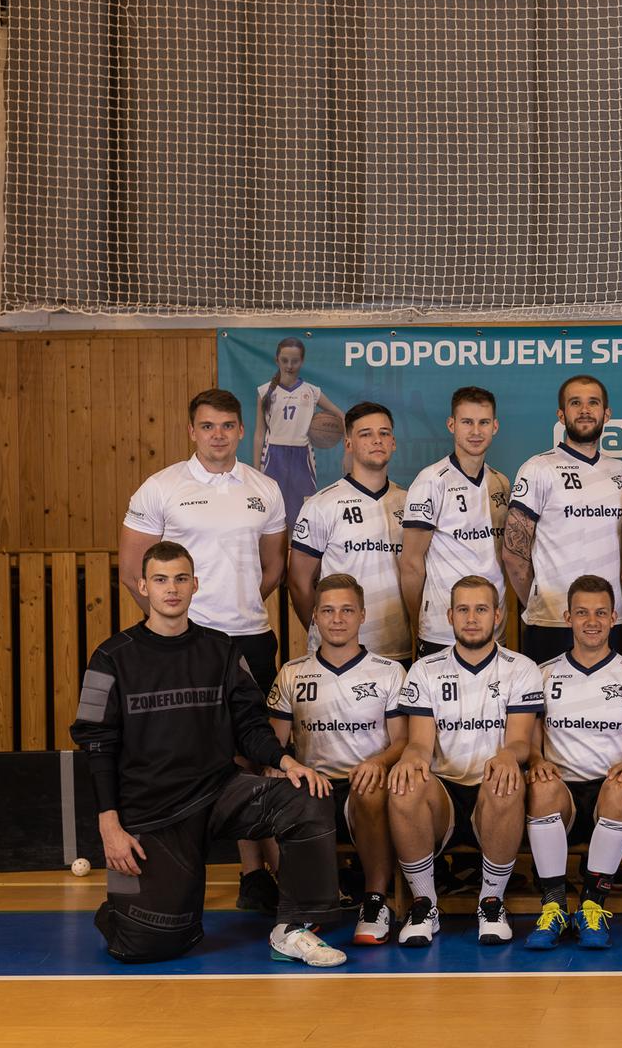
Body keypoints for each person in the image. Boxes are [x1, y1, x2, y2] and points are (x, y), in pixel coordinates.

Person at [70, 541, 345, 967]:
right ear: (143, 586)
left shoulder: (223, 650)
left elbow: (250, 724)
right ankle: (121, 909)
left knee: (308, 795)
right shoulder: (109, 657)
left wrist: (286, 761)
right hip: (151, 809)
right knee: (142, 946)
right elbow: (96, 743)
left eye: (181, 579)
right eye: (161, 580)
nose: (172, 589)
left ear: (195, 584)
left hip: (220, 792)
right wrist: (109, 822)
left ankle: (293, 928)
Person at [118, 387, 289, 914]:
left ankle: (259, 877)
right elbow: (132, 570)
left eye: (227, 426)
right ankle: (195, 872)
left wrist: (237, 609)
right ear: (192, 431)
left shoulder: (265, 488)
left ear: (241, 430)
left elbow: (273, 568)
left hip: (251, 638)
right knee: (200, 754)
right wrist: (179, 626)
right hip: (187, 645)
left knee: (253, 753)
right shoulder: (161, 486)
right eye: (208, 426)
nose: (218, 435)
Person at [387, 574, 543, 947]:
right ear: (450, 616)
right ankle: (425, 904)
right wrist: (409, 759)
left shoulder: (521, 668)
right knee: (405, 784)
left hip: (491, 788)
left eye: (481, 609)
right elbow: (419, 743)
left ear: (497, 615)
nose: (471, 618)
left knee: (506, 781)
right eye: (463, 610)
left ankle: (491, 903)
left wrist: (507, 756)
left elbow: (520, 741)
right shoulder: (426, 669)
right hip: (443, 793)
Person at [267, 573, 408, 945]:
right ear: (314, 616)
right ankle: (302, 902)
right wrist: (278, 767)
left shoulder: (389, 671)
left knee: (369, 788)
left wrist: (379, 762)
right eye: (328, 611)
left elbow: (403, 741)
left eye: (347, 610)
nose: (338, 619)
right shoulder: (292, 673)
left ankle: (375, 901)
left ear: (362, 615)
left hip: (367, 782)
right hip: (314, 785)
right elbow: (273, 744)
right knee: (270, 785)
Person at [522, 574, 622, 950]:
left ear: (613, 618)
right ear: (568, 618)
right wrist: (536, 760)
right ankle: (554, 907)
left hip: (609, 793)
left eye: (600, 613)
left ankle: (593, 906)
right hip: (562, 794)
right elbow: (531, 745)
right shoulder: (543, 674)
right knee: (541, 784)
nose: (591, 621)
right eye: (582, 613)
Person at [503, 375, 622, 665]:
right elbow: (514, 553)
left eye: (593, 403)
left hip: (609, 620)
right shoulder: (539, 468)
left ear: (606, 414)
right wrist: (541, 600)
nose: (585, 410)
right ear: (561, 415)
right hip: (552, 619)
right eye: (575, 403)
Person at [287, 402, 411, 663]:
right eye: (366, 434)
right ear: (348, 444)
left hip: (397, 649)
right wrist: (326, 632)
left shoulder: (409, 502)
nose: (377, 440)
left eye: (384, 433)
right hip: (338, 652)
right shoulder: (321, 504)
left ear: (393, 443)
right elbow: (299, 581)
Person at [401, 386, 511, 660]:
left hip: (493, 628)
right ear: (452, 425)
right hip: (442, 630)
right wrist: (421, 620)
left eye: (483, 422)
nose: (476, 431)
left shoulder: (501, 482)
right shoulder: (431, 480)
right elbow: (411, 563)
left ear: (495, 426)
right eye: (467, 422)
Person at [252, 337, 344, 527]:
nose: (289, 365)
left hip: (303, 456)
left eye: (295, 361)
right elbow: (259, 434)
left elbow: (340, 414)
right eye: (284, 360)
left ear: (302, 361)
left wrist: (347, 433)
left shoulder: (312, 391)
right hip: (273, 456)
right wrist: (255, 471)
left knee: (303, 514)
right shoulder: (264, 392)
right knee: (272, 512)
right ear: (277, 360)